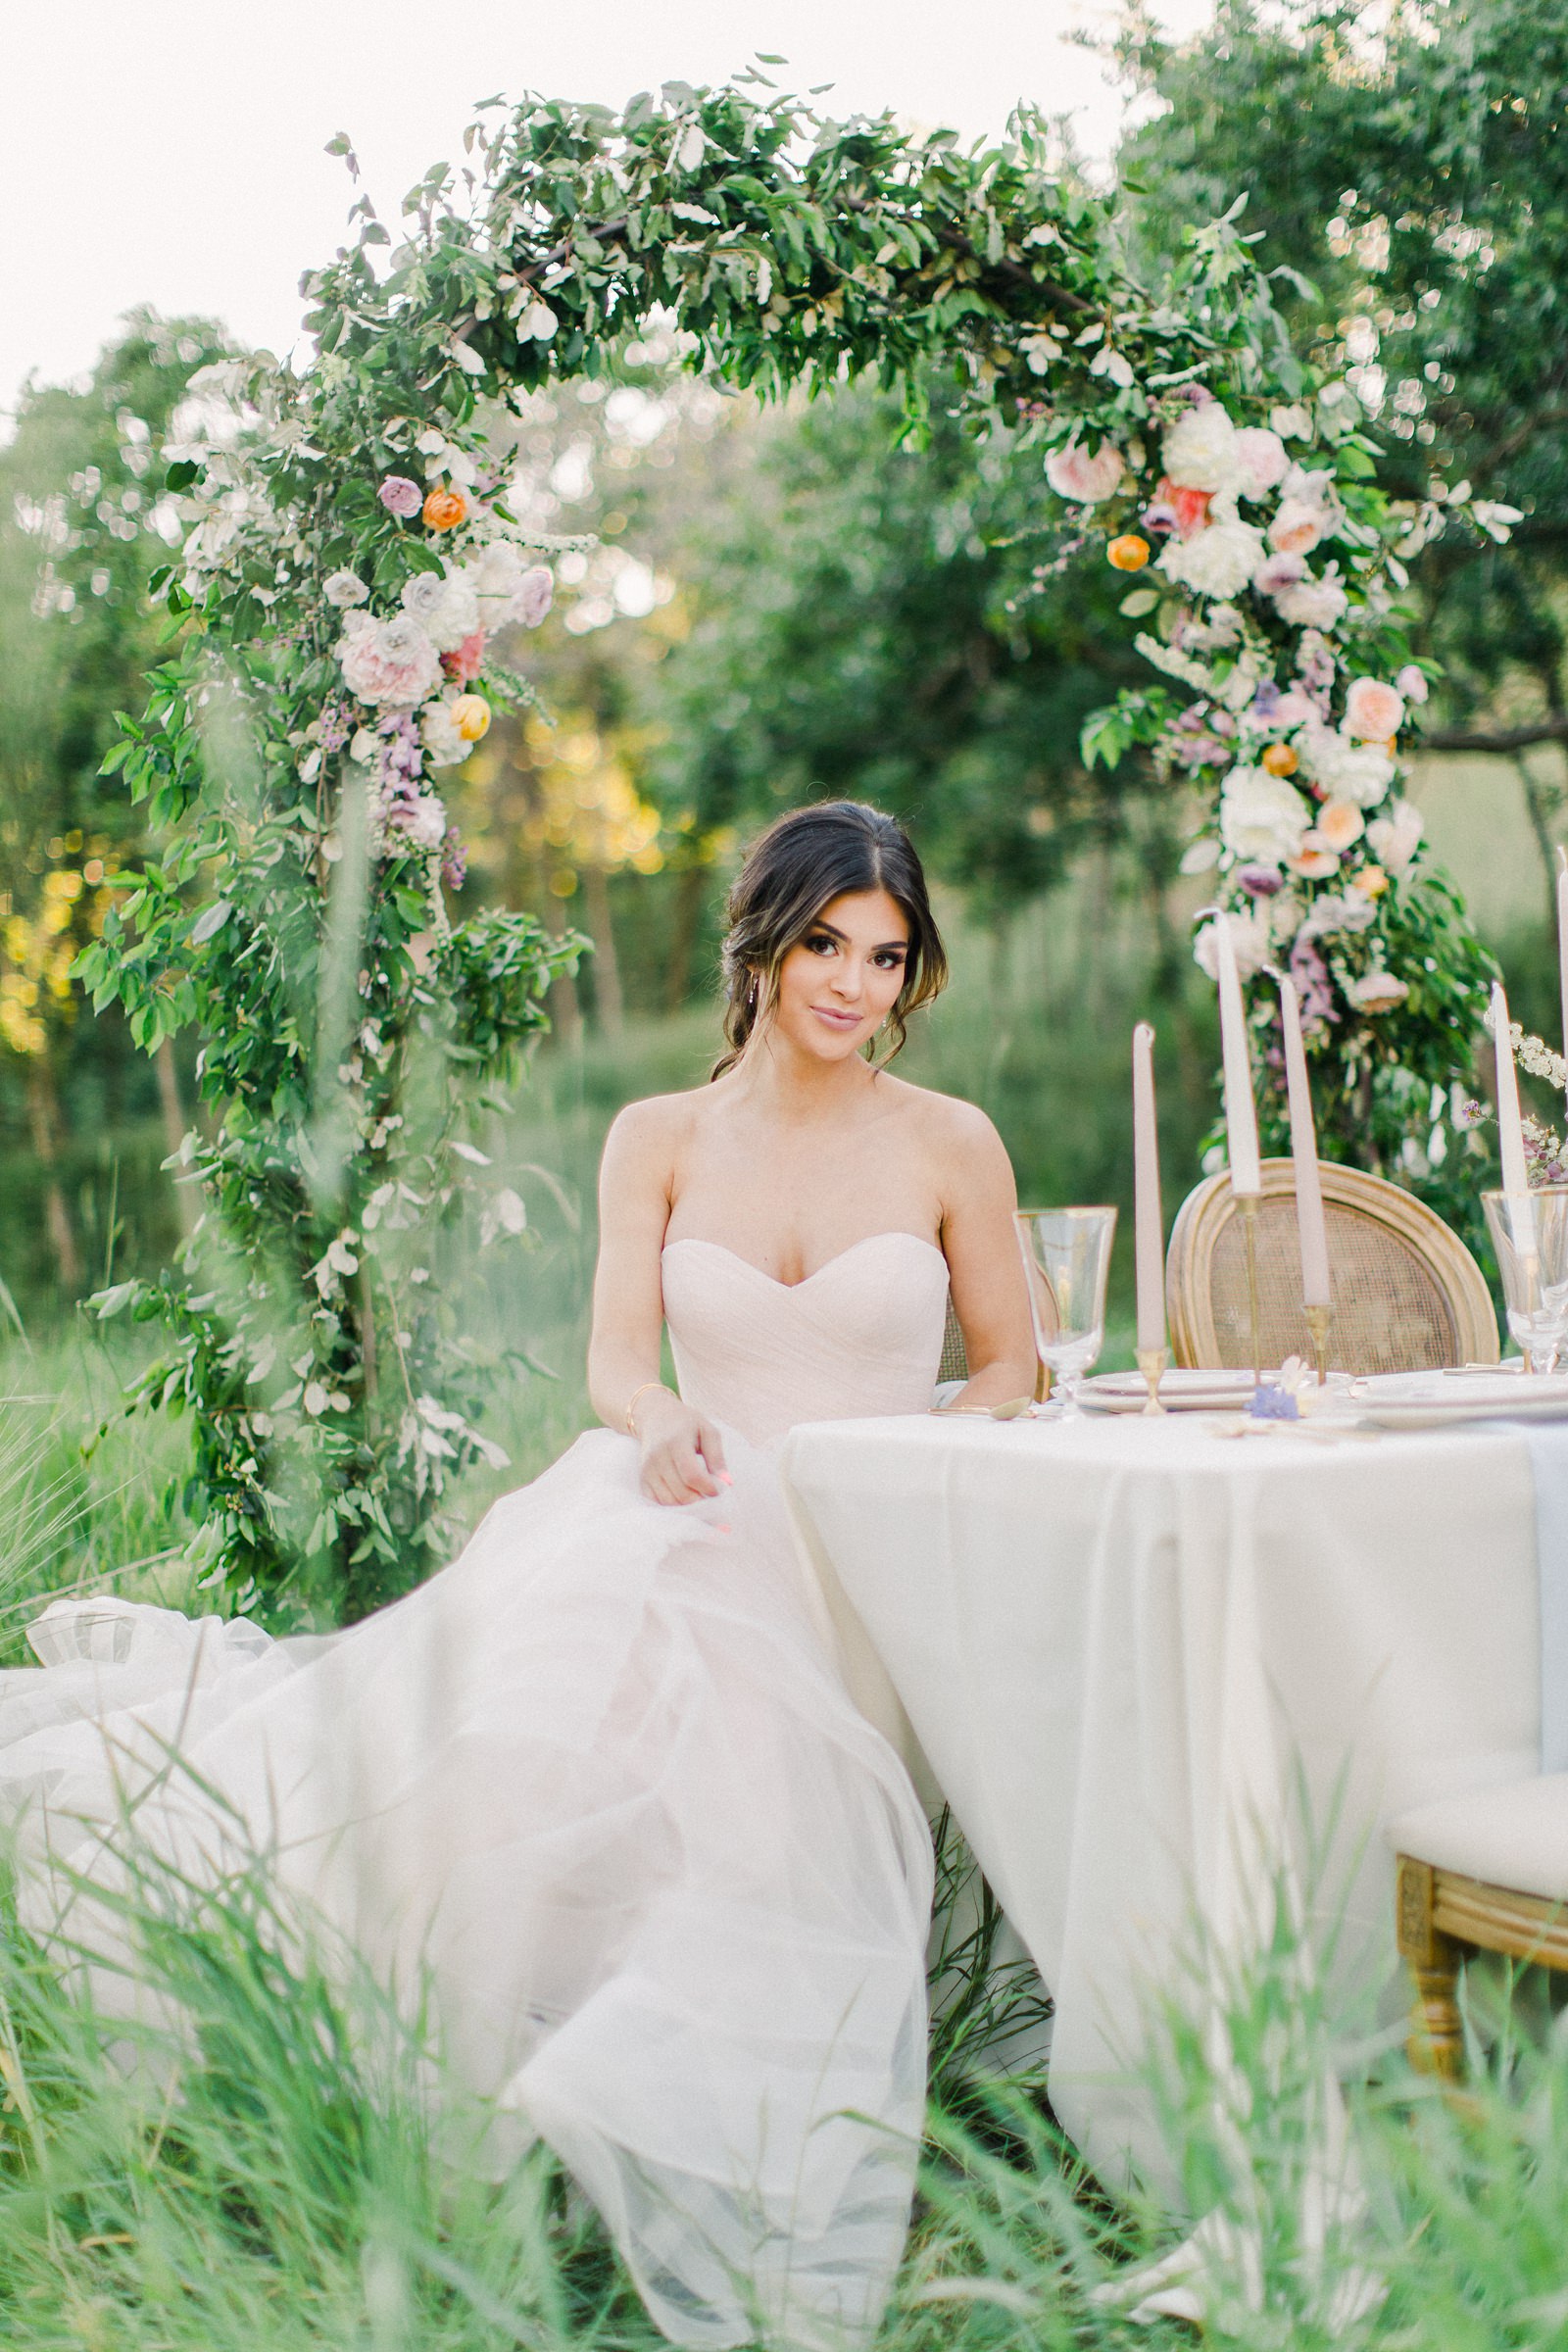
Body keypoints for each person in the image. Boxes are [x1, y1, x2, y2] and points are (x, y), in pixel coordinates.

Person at [0, 800, 1036, 2351]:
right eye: (825, 944)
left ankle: (724, 2132)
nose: (852, 985)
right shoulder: (658, 1139)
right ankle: (511, 2121)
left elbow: (1014, 1363)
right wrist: (666, 1417)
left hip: (869, 1534)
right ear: (762, 942)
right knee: (505, 1761)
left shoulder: (950, 1142)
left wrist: (920, 1470)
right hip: (689, 1499)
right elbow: (622, 1362)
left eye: (886, 958)